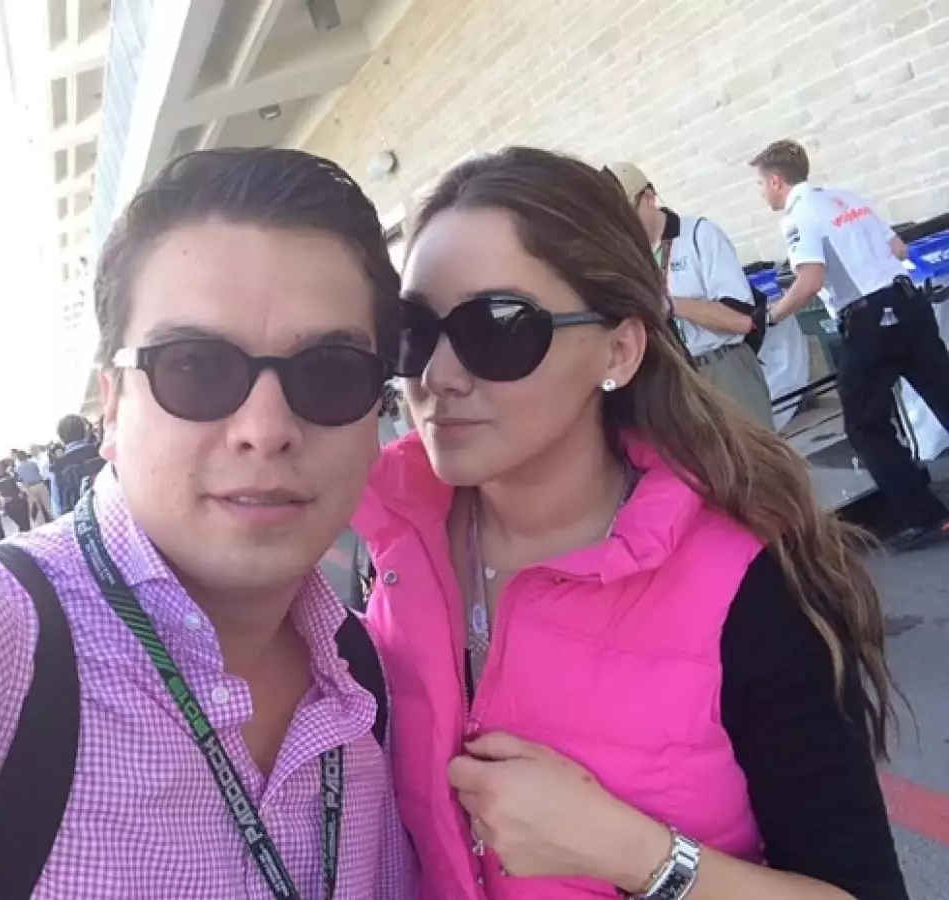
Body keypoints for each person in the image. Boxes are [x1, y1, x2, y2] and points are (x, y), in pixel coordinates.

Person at [0, 147, 412, 898]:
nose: (265, 427)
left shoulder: (367, 675)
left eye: (328, 372)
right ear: (112, 407)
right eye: (195, 366)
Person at [354, 148, 905, 899]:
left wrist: (635, 854)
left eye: (499, 327)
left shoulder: (746, 585)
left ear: (618, 348)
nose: (438, 376)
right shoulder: (392, 546)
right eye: (413, 330)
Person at [751, 138, 949, 552]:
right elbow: (897, 248)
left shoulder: (797, 216)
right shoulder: (845, 196)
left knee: (863, 422)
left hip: (870, 319)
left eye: (760, 184)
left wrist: (768, 318)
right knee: (943, 394)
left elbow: (809, 280)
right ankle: (914, 490)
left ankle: (924, 514)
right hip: (909, 302)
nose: (760, 192)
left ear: (775, 181)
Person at [606, 162, 774, 428]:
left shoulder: (699, 234)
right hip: (676, 382)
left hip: (723, 368)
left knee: (760, 464)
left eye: (627, 214)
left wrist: (670, 305)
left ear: (649, 198)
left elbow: (741, 320)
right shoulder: (630, 258)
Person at [48, 413, 105, 516]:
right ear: (85, 431)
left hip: (81, 521)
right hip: (109, 511)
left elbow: (58, 506)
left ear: (61, 438)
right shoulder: (101, 452)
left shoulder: (57, 468)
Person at [14, 449, 54, 523]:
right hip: (40, 484)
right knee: (48, 506)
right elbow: (38, 472)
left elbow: (19, 482)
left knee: (37, 510)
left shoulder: (17, 469)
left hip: (30, 488)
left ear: (19, 459)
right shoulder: (33, 463)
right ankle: (53, 518)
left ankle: (42, 524)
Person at [0, 460, 31, 533]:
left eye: (0, 467)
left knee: (25, 524)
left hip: (19, 501)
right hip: (10, 504)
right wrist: (1, 502)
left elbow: (21, 484)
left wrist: (23, 492)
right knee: (22, 525)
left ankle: (27, 538)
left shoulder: (12, 474)